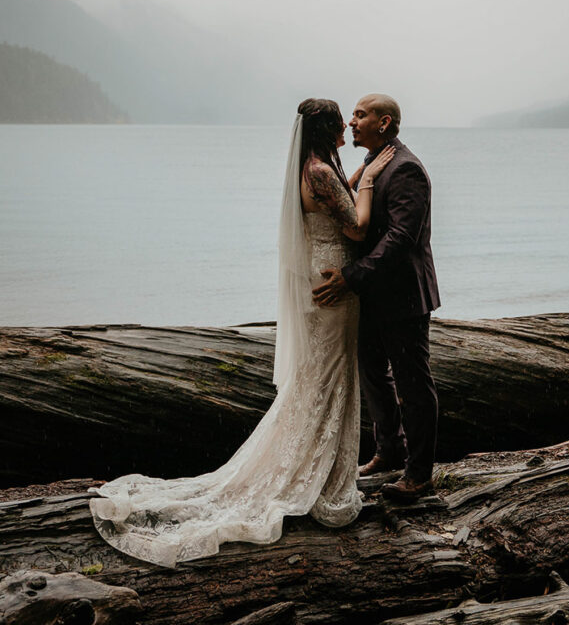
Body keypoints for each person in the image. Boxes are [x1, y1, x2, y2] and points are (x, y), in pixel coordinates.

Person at [89, 98, 393, 567]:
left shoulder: (315, 167)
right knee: (327, 376)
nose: (347, 127)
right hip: (334, 280)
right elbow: (355, 227)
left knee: (322, 376)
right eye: (341, 122)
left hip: (322, 275)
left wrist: (355, 177)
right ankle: (318, 479)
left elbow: (334, 198)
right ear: (327, 127)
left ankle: (319, 467)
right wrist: (370, 180)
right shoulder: (319, 170)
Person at [312, 94, 440, 501]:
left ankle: (419, 474)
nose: (351, 122)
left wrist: (349, 277)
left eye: (360, 115)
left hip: (403, 296)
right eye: (351, 115)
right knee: (373, 374)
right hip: (373, 293)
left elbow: (400, 240)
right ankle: (389, 450)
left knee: (413, 385)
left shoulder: (406, 170)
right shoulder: (372, 163)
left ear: (384, 123)